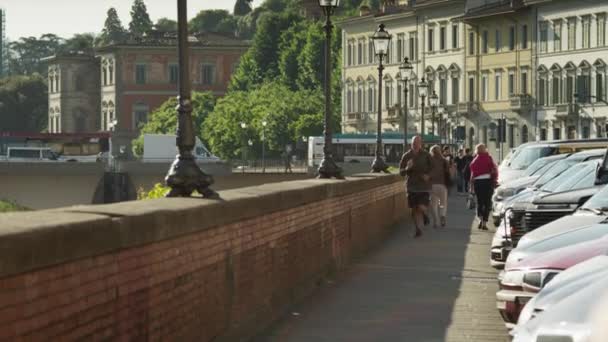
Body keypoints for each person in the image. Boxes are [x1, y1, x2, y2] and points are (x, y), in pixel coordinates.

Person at [399, 135, 433, 238]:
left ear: (421, 143)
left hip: (423, 186)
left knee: (421, 206)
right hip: (411, 186)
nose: (415, 144)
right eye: (414, 143)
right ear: (411, 144)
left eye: (418, 142)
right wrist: (407, 168)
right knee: (414, 209)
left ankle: (424, 214)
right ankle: (418, 229)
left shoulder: (426, 155)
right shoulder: (406, 156)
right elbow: (401, 172)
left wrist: (428, 175)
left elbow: (434, 168)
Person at [468, 143, 498, 230]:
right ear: (485, 149)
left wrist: (471, 186)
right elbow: (494, 169)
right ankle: (485, 222)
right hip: (488, 182)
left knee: (480, 202)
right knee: (487, 202)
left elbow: (472, 174)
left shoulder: (475, 160)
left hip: (478, 182)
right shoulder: (489, 158)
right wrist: (494, 180)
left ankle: (480, 219)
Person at [429, 145, 450, 228]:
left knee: (433, 204)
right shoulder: (444, 161)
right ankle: (442, 215)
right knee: (443, 203)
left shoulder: (429, 161)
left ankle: (435, 221)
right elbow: (448, 172)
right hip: (442, 185)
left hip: (432, 185)